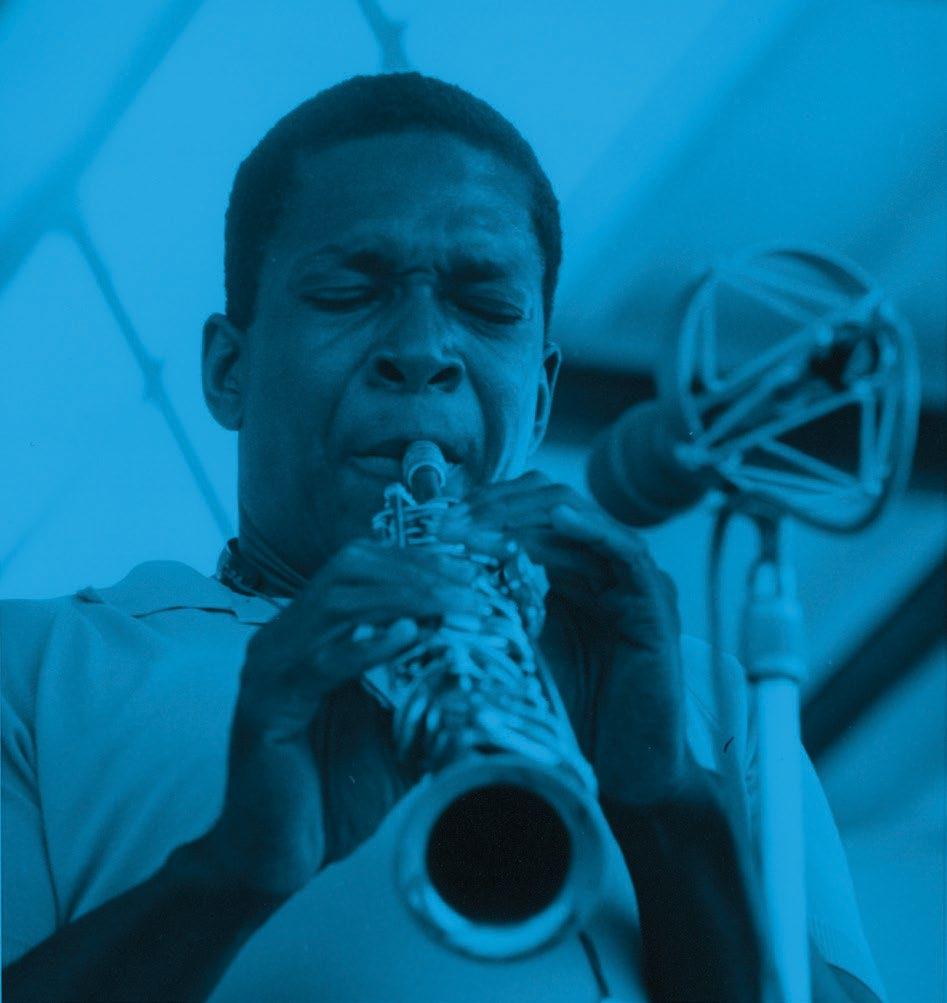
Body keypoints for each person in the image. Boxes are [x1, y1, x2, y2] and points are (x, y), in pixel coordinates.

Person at [1, 72, 886, 1002]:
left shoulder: (710, 695)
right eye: (347, 292)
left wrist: (671, 803)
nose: (422, 349)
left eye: (489, 308)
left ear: (537, 400)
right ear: (228, 370)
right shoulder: (34, 665)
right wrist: (228, 870)